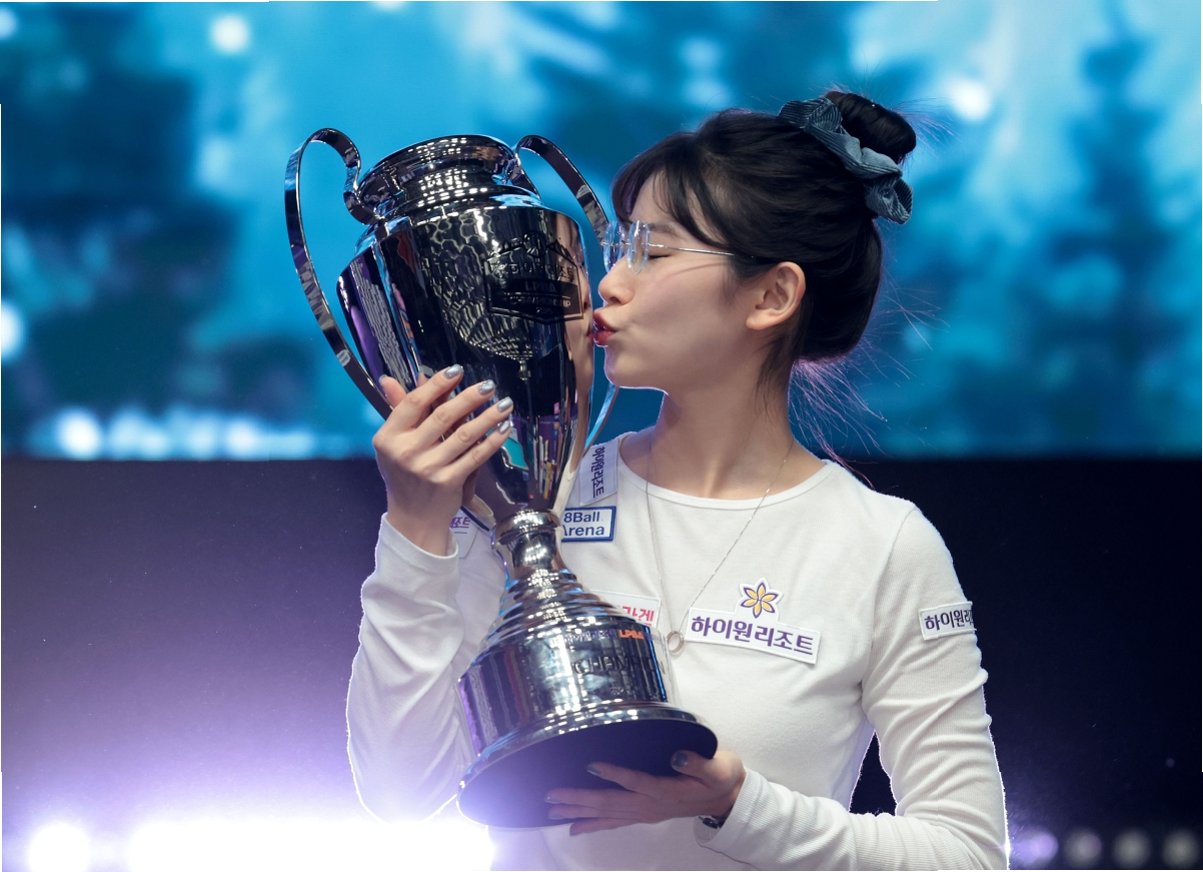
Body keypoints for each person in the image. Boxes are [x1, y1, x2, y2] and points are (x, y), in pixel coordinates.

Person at [346, 91, 1009, 870]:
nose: (610, 284)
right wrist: (416, 530)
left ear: (771, 295)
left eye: (651, 254)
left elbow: (967, 854)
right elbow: (401, 791)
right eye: (617, 250)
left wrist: (739, 804)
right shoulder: (534, 503)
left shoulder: (880, 546)